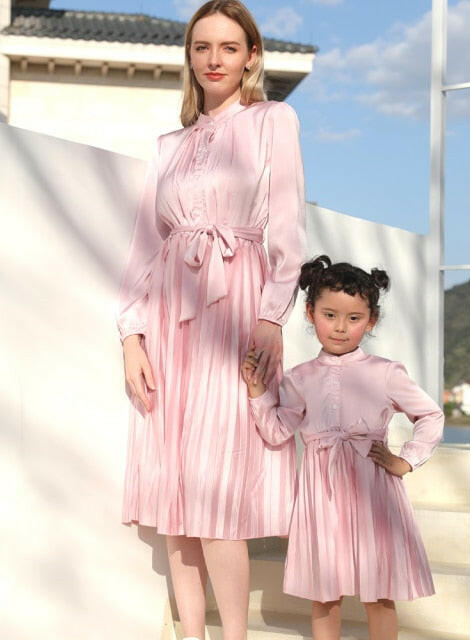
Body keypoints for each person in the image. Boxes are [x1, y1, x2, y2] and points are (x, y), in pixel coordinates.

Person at [116, 1, 307, 638]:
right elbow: (145, 246)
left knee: (221, 489)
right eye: (202, 47)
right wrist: (131, 336)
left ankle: (234, 636)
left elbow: (289, 230)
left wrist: (272, 317)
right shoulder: (168, 144)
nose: (214, 59)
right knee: (177, 492)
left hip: (239, 308)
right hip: (171, 319)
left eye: (229, 47)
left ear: (251, 55)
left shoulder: (273, 120)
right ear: (190, 57)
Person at [242, 255, 444, 640]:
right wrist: (257, 394)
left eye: (353, 318)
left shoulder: (385, 372)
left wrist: (407, 460)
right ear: (310, 313)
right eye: (329, 315)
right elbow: (277, 430)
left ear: (371, 321)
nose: (340, 327)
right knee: (324, 595)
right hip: (322, 497)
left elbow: (431, 415)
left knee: (379, 593)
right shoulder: (299, 378)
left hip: (373, 492)